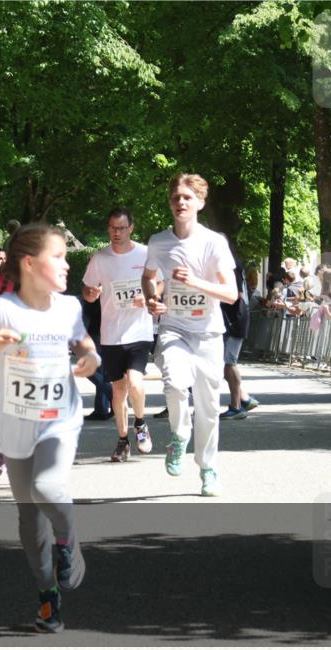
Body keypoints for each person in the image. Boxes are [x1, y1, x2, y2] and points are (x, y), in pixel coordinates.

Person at [0, 224, 99, 634]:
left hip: (60, 418)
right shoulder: (0, 310)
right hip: (17, 426)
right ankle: (47, 596)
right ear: (30, 264)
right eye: (59, 256)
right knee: (30, 520)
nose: (67, 264)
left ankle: (69, 539)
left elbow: (85, 343)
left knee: (46, 487)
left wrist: (91, 358)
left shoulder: (68, 307)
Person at [142, 173, 238, 497]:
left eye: (187, 197)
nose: (181, 202)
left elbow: (231, 294)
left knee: (209, 409)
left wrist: (196, 282)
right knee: (173, 382)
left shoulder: (213, 242)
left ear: (200, 203)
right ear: (170, 203)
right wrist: (151, 299)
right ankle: (180, 436)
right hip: (174, 328)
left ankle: (208, 468)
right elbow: (149, 277)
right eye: (176, 197)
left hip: (208, 334)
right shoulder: (159, 242)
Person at [81, 207, 154, 461]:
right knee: (119, 391)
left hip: (140, 331)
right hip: (111, 334)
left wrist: (149, 296)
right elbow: (87, 290)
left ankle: (141, 424)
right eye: (113, 228)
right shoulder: (100, 258)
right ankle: (123, 441)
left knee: (135, 381)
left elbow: (161, 282)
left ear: (131, 228)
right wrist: (91, 294)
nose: (117, 232)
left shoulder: (145, 254)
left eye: (121, 228)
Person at [220, 247, 259, 419]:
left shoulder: (231, 266)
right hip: (231, 319)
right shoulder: (230, 265)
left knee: (229, 363)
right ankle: (244, 398)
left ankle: (237, 406)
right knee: (223, 363)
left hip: (235, 319)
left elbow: (236, 295)